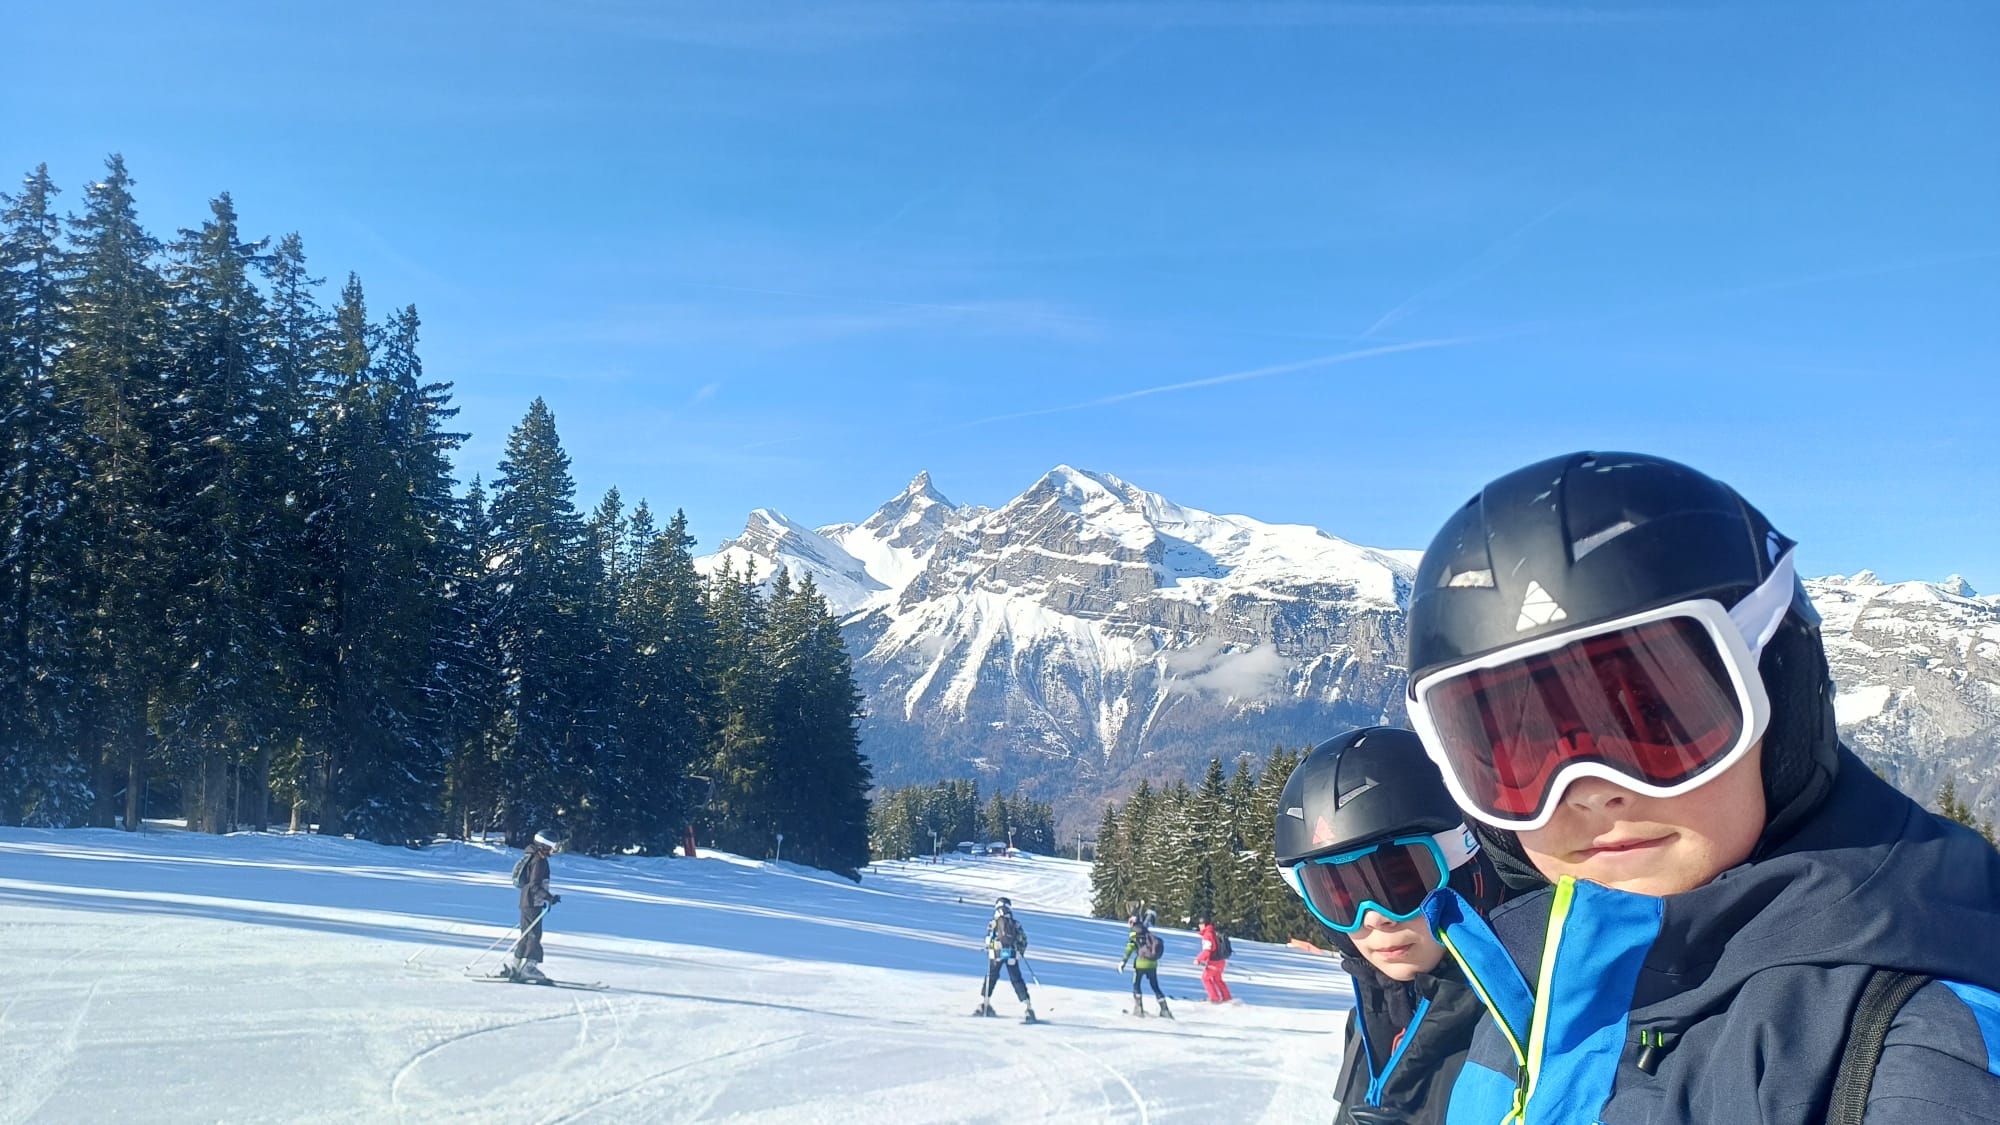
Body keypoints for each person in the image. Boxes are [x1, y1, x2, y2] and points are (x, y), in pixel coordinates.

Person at [1403, 451, 2000, 1123]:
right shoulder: (1534, 992)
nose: (1592, 792)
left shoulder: (1915, 1052)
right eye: (1518, 752)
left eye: (1656, 717)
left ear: (1781, 703)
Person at [1276, 726, 1507, 1125]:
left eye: (1400, 882)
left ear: (1469, 871)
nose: (1373, 918)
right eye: (1339, 897)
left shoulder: (1522, 1036)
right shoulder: (1374, 1014)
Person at [506, 829, 563, 983]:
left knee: (526, 934)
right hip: (532, 902)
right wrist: (548, 897)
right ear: (545, 844)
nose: (555, 849)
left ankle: (516, 966)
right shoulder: (539, 860)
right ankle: (529, 968)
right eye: (554, 845)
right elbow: (534, 885)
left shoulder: (534, 857)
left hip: (528, 902)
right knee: (533, 935)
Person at [977, 896, 1037, 1021]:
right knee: (1016, 979)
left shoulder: (993, 922)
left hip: (996, 954)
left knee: (991, 977)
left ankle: (985, 1003)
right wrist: (1020, 952)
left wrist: (991, 946)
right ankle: (1027, 1007)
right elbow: (1023, 940)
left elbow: (988, 940)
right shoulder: (1015, 923)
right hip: (1011, 953)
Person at [1119, 908, 1172, 1018]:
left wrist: (1123, 961)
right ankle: (1165, 1009)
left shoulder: (1134, 933)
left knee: (1136, 985)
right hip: (1152, 963)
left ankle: (1138, 1008)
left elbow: (1130, 947)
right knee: (1155, 986)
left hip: (1140, 964)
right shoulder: (1146, 931)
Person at [1194, 913, 1234, 1003]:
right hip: (1221, 961)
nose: (1199, 926)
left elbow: (1207, 951)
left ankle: (1214, 998)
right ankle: (1227, 998)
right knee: (1218, 980)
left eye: (1200, 924)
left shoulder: (1207, 935)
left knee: (1205, 978)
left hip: (1214, 962)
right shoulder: (1213, 932)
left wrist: (1198, 959)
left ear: (1204, 924)